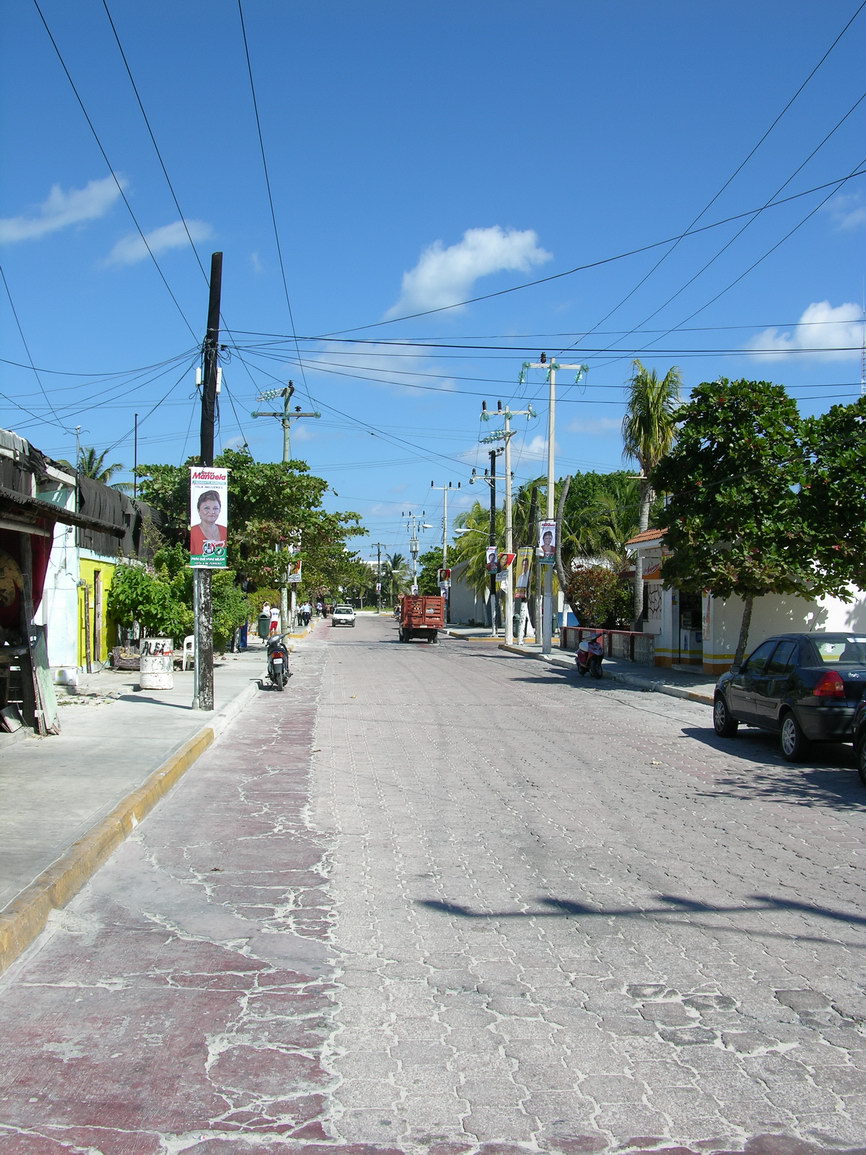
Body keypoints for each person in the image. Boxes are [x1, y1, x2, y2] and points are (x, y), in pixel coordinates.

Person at [190, 490, 227, 556]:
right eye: (207, 508)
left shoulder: (225, 530)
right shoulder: (192, 532)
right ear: (198, 510)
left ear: (220, 510)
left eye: (215, 508)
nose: (211, 512)